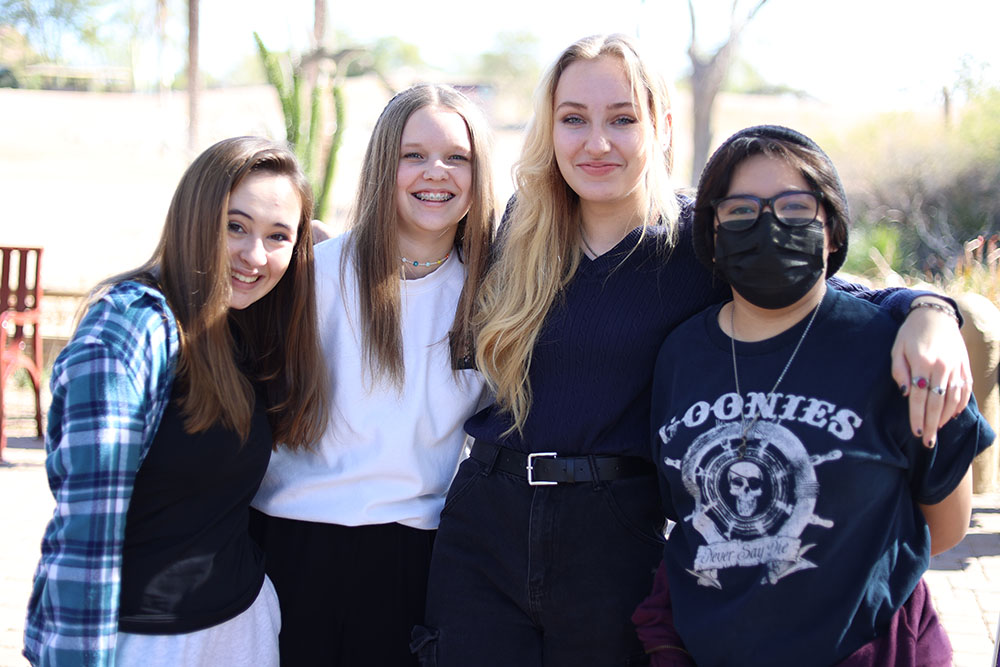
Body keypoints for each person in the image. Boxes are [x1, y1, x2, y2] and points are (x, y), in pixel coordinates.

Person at [417, 34, 974, 667]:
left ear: (661, 126)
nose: (596, 142)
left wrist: (931, 311)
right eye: (573, 119)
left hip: (617, 529)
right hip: (485, 516)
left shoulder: (701, 242)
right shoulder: (519, 228)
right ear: (550, 129)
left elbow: (832, 290)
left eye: (622, 119)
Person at [632, 124, 994, 666]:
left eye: (795, 208)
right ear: (711, 233)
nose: (769, 225)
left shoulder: (899, 352)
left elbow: (942, 529)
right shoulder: (680, 353)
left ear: (831, 229)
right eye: (741, 211)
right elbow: (683, 509)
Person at [23, 137, 329, 666]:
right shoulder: (129, 328)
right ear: (194, 216)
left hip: (243, 629)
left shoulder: (244, 327)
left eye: (276, 236)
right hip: (146, 643)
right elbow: (86, 528)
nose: (254, 255)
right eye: (235, 226)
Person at [249, 83, 496, 667]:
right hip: (289, 545)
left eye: (456, 157)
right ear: (385, 163)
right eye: (414, 154)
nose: (435, 172)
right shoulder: (310, 274)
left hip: (414, 558)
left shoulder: (493, 297)